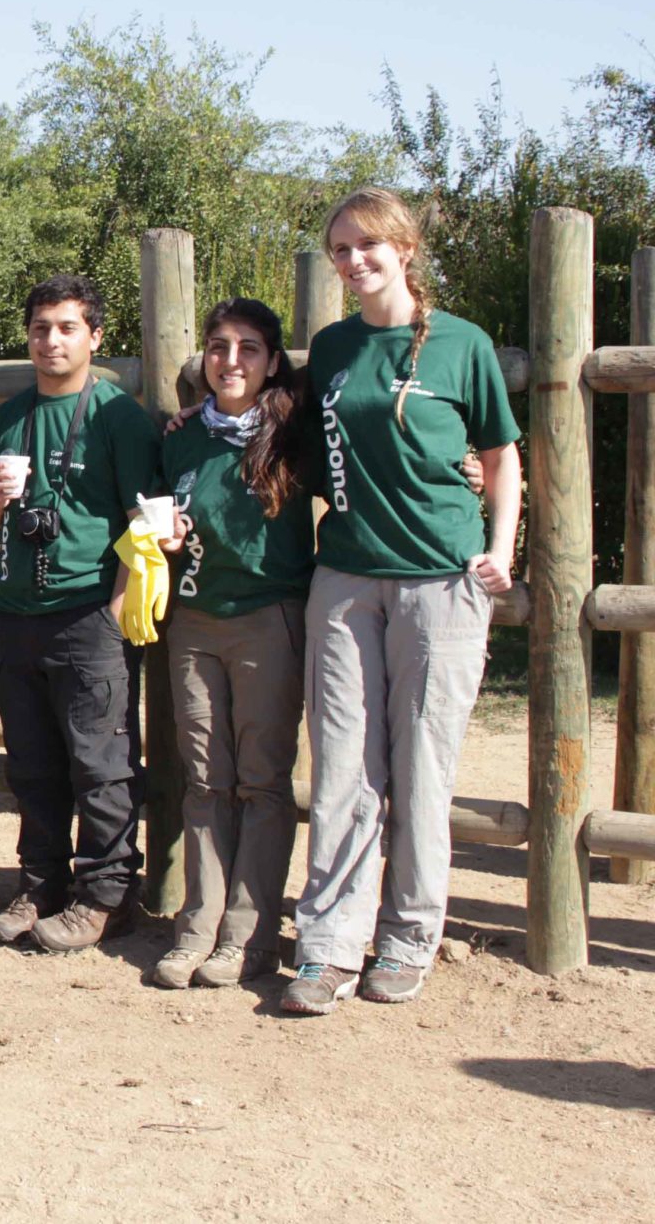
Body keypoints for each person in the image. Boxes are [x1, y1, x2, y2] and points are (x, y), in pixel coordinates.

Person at [283, 187, 521, 1015]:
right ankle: (328, 944)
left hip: (441, 582)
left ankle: (411, 932)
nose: (353, 262)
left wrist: (500, 546)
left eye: (367, 247)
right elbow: (285, 423)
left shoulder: (462, 345)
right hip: (345, 580)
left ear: (404, 249)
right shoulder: (335, 346)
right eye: (341, 250)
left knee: (423, 766)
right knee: (343, 765)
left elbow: (500, 452)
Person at [0, 274, 158, 953]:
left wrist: (112, 611)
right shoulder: (9, 416)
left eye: (68, 327)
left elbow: (147, 521)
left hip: (87, 615)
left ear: (96, 337)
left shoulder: (118, 417)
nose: (52, 340)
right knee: (33, 763)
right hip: (18, 613)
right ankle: (40, 881)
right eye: (41, 327)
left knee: (101, 764)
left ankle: (106, 894)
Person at [149, 298, 314, 989]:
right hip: (192, 622)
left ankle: (249, 933)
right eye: (219, 346)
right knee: (205, 780)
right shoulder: (180, 438)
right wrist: (164, 535)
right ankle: (196, 924)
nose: (232, 360)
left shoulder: (294, 434)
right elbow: (157, 510)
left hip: (267, 617)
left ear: (272, 361)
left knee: (261, 780)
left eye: (249, 348)